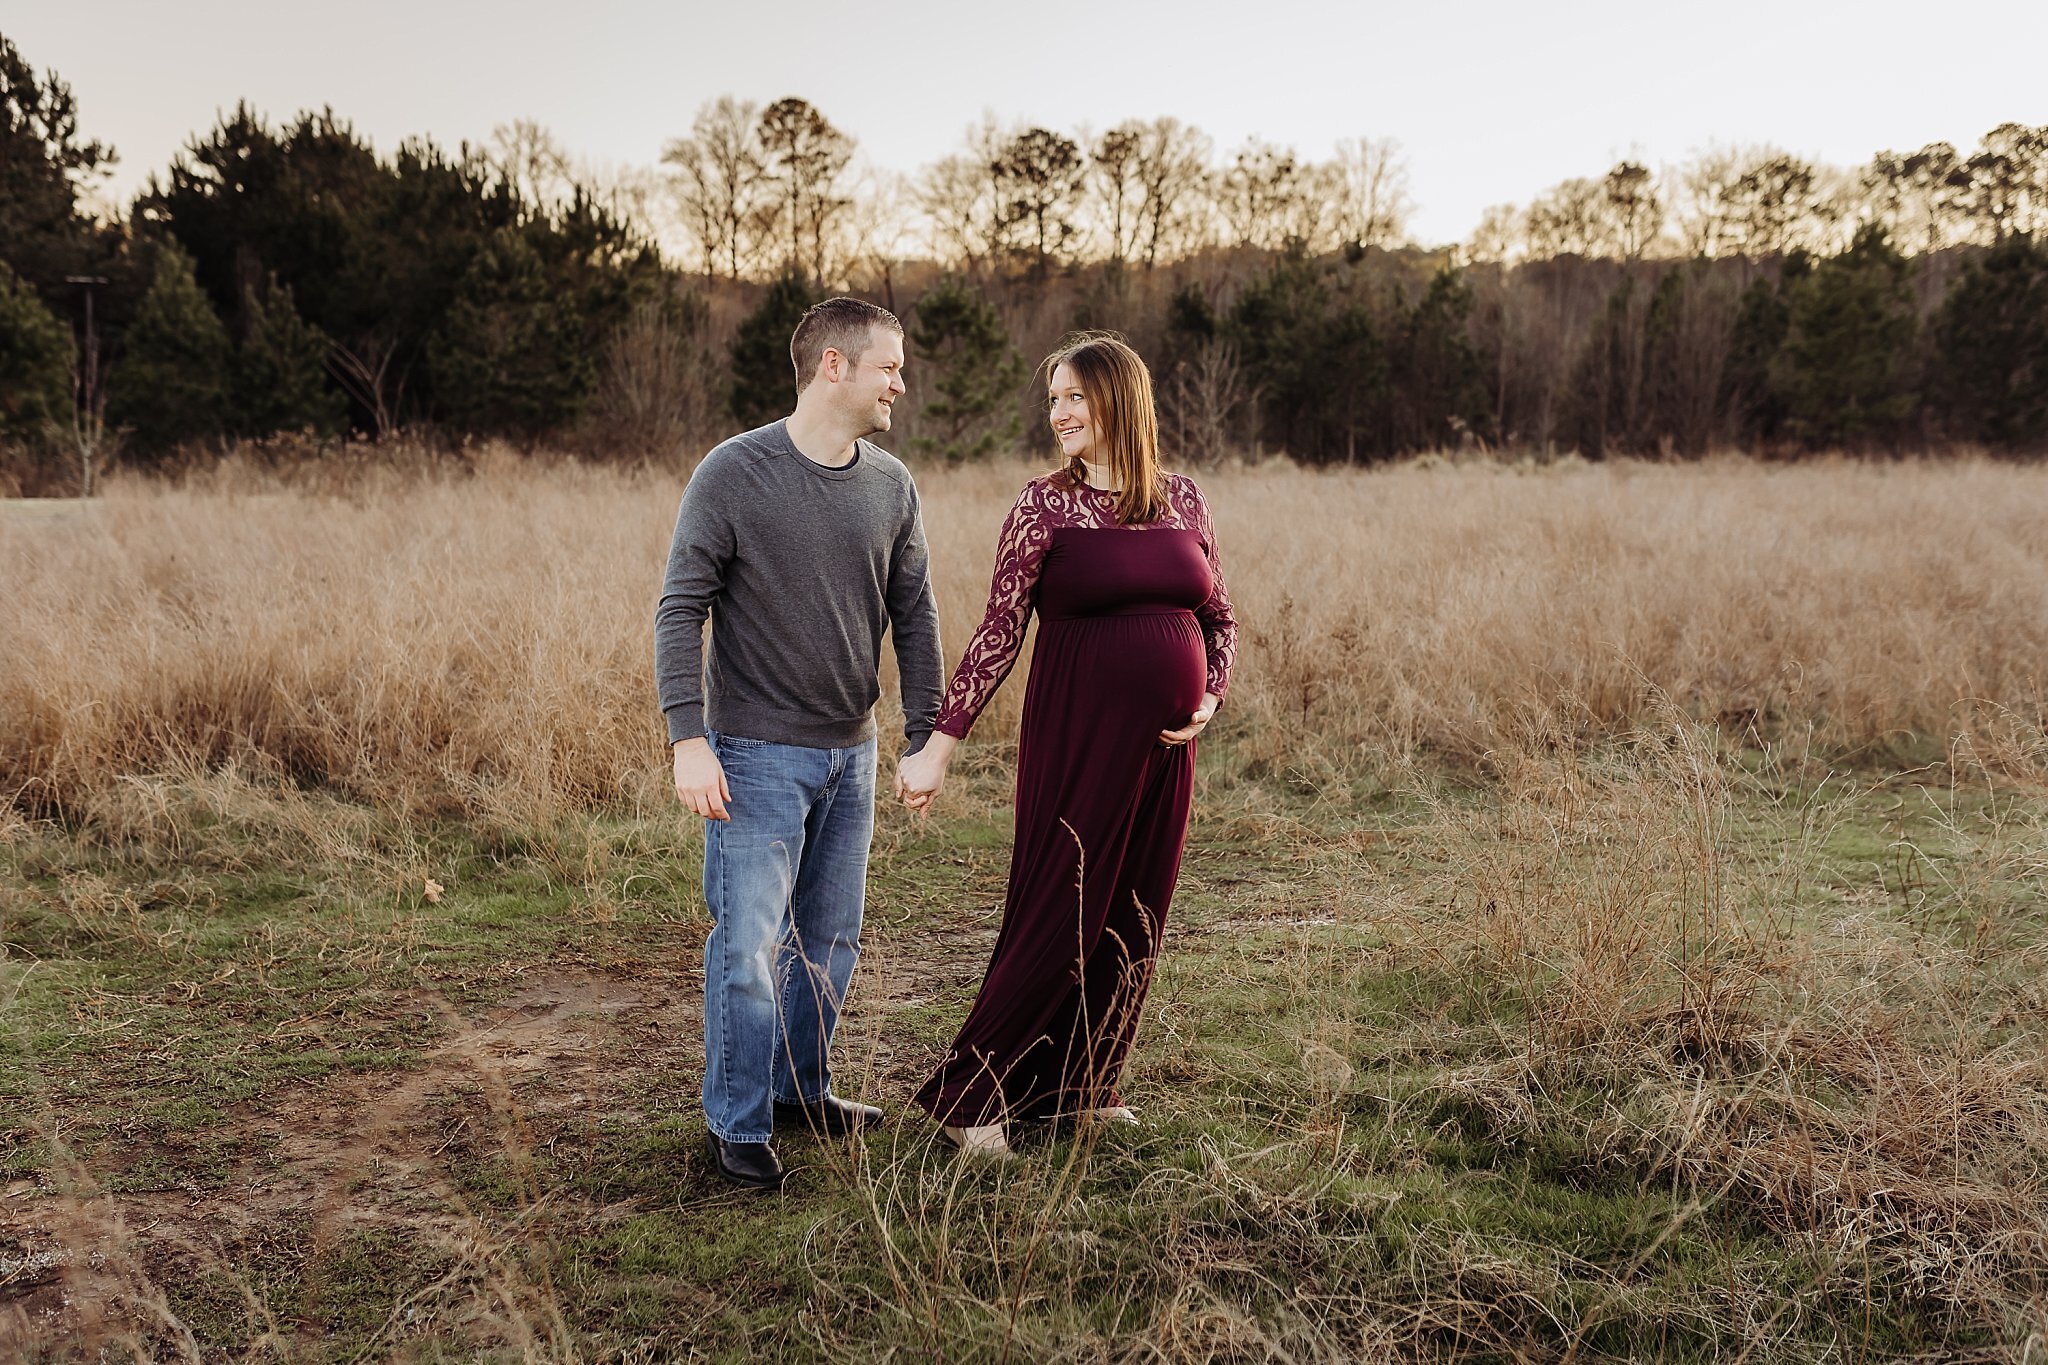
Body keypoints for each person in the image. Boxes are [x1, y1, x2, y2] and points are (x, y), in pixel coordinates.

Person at [897, 332, 1236, 1156]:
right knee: (1063, 902)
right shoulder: (1044, 505)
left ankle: (1081, 1085)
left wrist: (1211, 695)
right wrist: (940, 743)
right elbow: (1000, 631)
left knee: (1136, 906)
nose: (1059, 413)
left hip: (1165, 745)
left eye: (1074, 396)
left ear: (1120, 397)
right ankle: (972, 1095)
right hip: (1079, 734)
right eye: (1053, 400)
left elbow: (1219, 617)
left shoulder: (1185, 500)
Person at [654, 297, 943, 1190]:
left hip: (850, 755)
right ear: (833, 366)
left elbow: (915, 614)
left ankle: (798, 1090)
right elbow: (680, 609)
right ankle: (735, 1125)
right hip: (753, 755)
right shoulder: (734, 473)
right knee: (747, 944)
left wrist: (923, 733)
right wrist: (687, 739)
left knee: (830, 940)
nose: (901, 380)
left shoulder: (891, 484)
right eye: (889, 365)